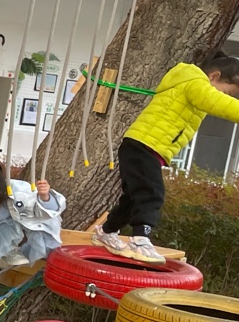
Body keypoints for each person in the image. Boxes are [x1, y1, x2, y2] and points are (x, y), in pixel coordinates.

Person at [95, 54, 239, 264]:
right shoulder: (195, 82)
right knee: (152, 194)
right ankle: (140, 239)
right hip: (144, 146)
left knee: (134, 196)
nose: (225, 96)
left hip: (144, 147)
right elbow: (219, 104)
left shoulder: (190, 83)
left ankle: (106, 231)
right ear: (214, 76)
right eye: (227, 92)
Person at [0, 160, 66, 270]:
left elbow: (42, 213)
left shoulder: (19, 193)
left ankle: (15, 251)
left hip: (13, 230)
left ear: (1, 198)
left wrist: (44, 197)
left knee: (38, 220)